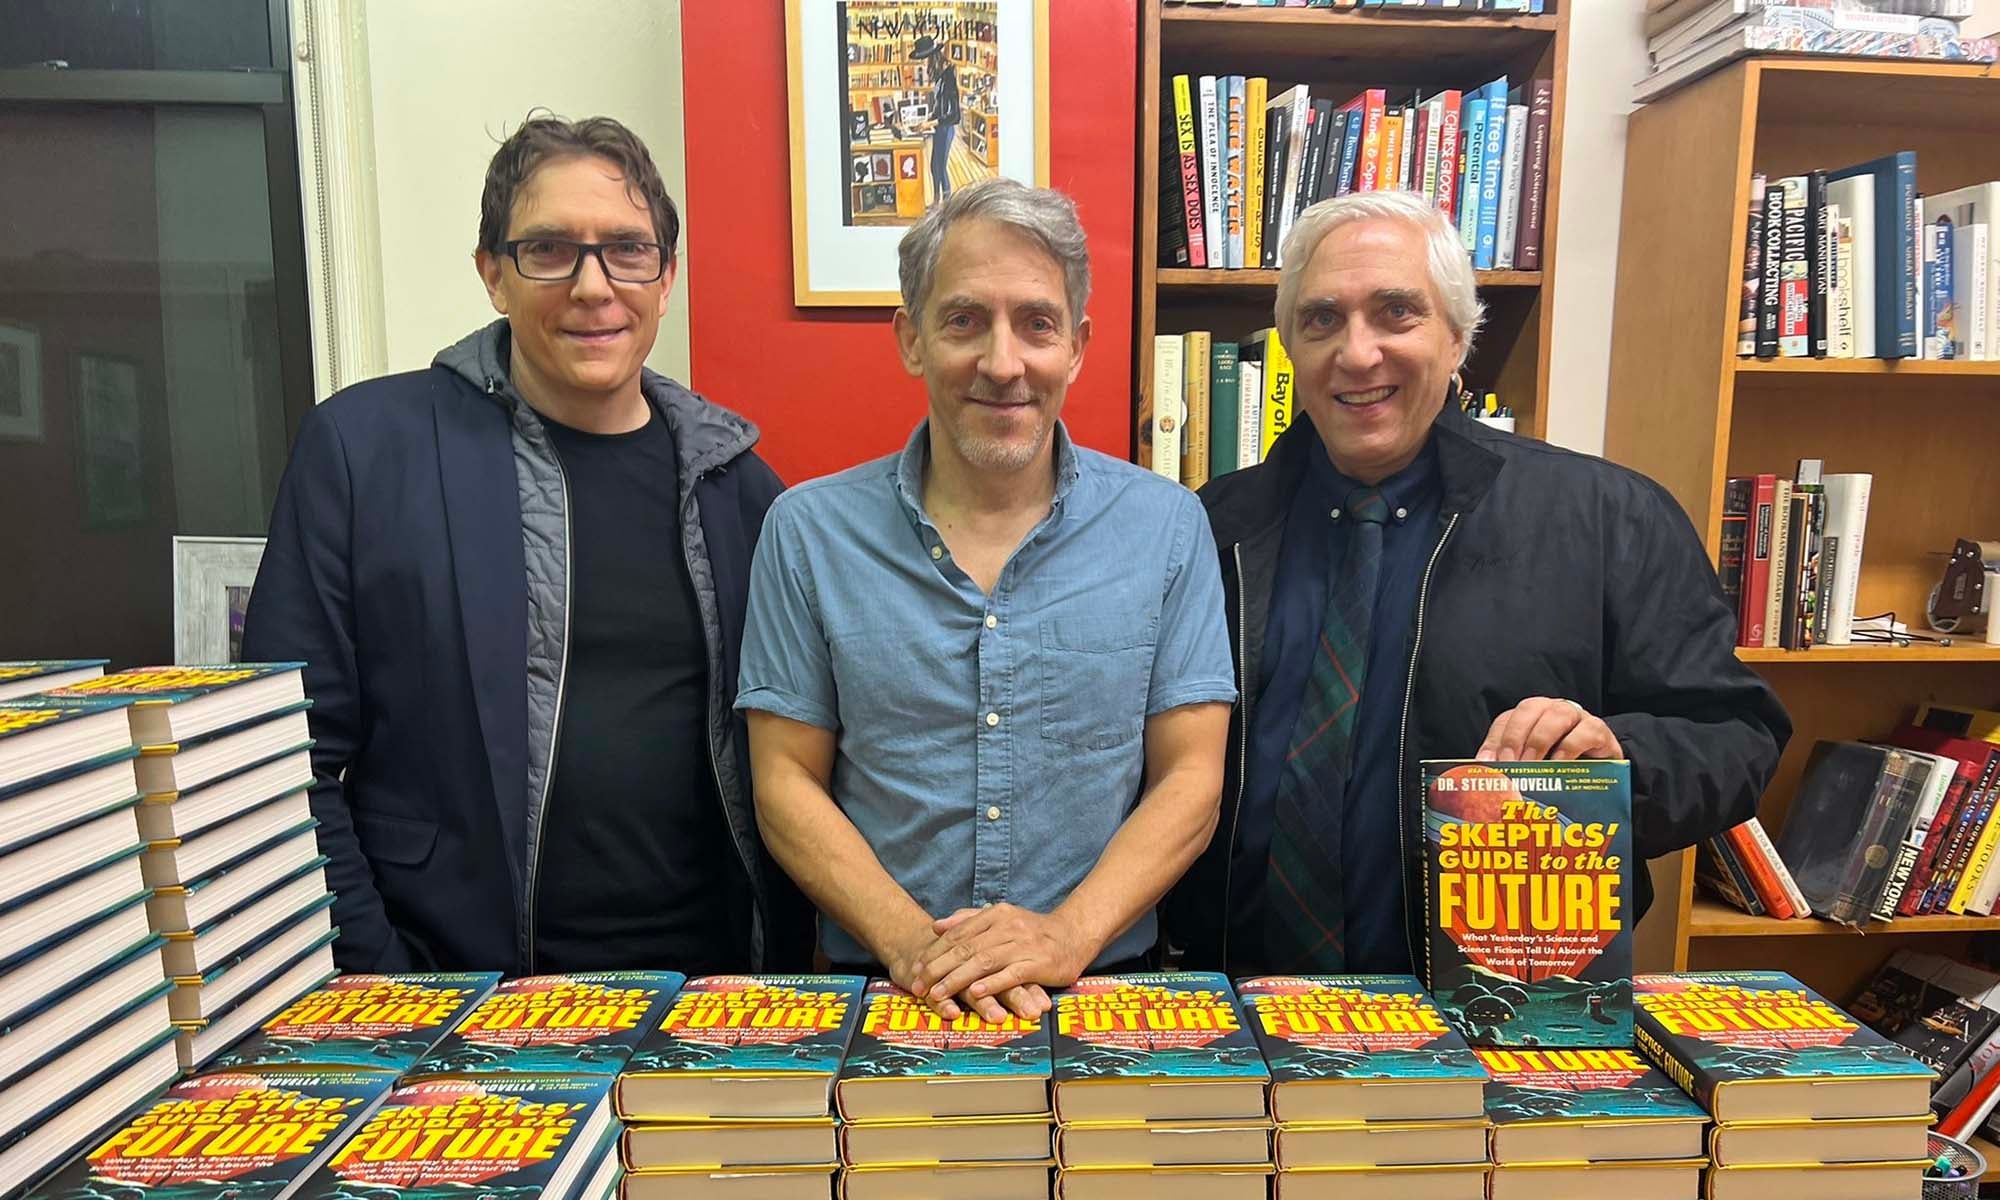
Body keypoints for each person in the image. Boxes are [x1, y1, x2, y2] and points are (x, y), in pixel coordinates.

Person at [1168, 189, 1790, 976]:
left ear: (1459, 336)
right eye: (1322, 319)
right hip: (1238, 1003)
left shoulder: (1609, 517)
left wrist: (1617, 757)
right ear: (1290, 343)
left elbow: (1736, 737)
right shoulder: (1208, 525)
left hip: (1496, 1006)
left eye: (1396, 313)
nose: (1357, 353)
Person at [243, 114, 809, 975]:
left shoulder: (740, 488)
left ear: (666, 277)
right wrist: (386, 977)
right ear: (492, 275)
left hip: (707, 994)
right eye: (549, 250)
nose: (593, 286)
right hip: (460, 991)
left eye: (627, 250)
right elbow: (285, 758)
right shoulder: (364, 454)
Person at [737, 178, 1235, 1022]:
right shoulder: (807, 532)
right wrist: (917, 949)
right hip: (886, 993)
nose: (1004, 364)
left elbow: (1192, 777)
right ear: (912, 340)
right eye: (965, 320)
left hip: (1102, 991)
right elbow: (784, 780)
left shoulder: (1168, 528)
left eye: (1037, 323)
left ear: (1076, 346)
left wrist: (1066, 935)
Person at [912, 33, 960, 205]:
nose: (923, 63)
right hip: (940, 127)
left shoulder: (949, 76)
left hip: (946, 128)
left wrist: (929, 123)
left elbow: (953, 114)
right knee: (934, 166)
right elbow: (940, 107)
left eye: (924, 59)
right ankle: (936, 200)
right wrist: (927, 120)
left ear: (932, 57)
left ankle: (946, 204)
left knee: (941, 167)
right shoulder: (940, 76)